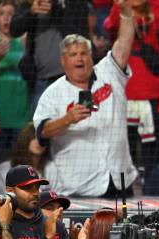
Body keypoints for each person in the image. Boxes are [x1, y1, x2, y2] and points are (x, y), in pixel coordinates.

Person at [32, 0, 138, 197]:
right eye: (73, 55)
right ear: (63, 61)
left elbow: (124, 42)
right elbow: (42, 131)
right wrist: (68, 119)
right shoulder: (53, 93)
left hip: (119, 180)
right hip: (79, 187)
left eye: (84, 53)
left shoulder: (110, 71)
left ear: (91, 56)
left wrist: (125, 12)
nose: (79, 58)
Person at [104, 0, 159, 196]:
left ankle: (154, 197)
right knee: (124, 154)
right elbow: (110, 28)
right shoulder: (119, 13)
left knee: (153, 154)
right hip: (124, 95)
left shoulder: (157, 12)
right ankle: (125, 197)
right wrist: (121, 7)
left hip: (153, 95)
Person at [9, 0, 89, 107]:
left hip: (70, 79)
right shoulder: (31, 2)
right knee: (39, 122)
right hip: (40, 80)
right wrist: (31, 12)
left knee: (76, 121)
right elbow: (14, 29)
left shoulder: (74, 3)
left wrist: (56, 7)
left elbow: (80, 32)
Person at [0, 0, 30, 163]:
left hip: (21, 114)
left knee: (19, 163)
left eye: (11, 14)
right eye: (2, 14)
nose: (6, 18)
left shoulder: (25, 41)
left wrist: (26, 49)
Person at [0, 123, 49, 194]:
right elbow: (3, 197)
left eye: (42, 139)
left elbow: (57, 196)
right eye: (34, 138)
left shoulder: (50, 167)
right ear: (25, 140)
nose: (39, 142)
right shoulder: (5, 169)